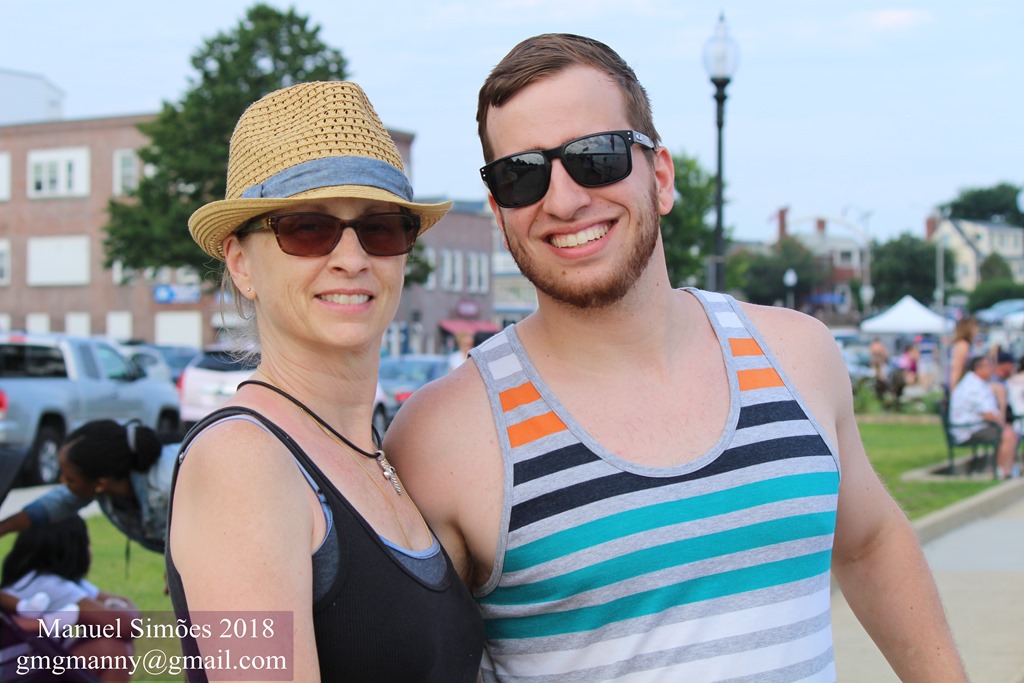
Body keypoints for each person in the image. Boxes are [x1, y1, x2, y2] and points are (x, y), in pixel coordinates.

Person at [384, 33, 966, 682]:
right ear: (498, 212)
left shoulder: (799, 354)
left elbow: (869, 543)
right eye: (522, 174)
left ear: (660, 177)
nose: (564, 199)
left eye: (596, 157)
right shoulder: (444, 438)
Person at [165, 81, 483, 682]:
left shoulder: (383, 457)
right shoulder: (242, 464)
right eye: (307, 228)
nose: (352, 258)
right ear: (241, 263)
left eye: (381, 228)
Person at [0, 420, 175, 554]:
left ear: (101, 483)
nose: (62, 482)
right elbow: (55, 504)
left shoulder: (169, 485)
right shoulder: (108, 479)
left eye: (70, 479)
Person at [0, 516, 139, 682]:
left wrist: (116, 607)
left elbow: (121, 610)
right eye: (87, 543)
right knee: (113, 651)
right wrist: (118, 608)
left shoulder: (34, 580)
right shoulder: (47, 585)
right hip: (18, 674)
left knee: (107, 638)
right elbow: (127, 624)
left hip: (29, 667)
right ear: (73, 548)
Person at [949, 355, 1019, 479]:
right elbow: (988, 414)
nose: (992, 369)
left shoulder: (977, 383)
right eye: (989, 366)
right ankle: (1002, 472)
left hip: (976, 426)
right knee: (1008, 434)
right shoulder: (973, 386)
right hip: (968, 430)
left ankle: (1006, 470)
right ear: (979, 368)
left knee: (1010, 432)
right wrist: (1003, 425)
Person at [948, 316, 979, 391]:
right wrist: (953, 391)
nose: (977, 329)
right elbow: (956, 368)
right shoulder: (963, 345)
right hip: (962, 384)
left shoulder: (965, 344)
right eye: (974, 327)